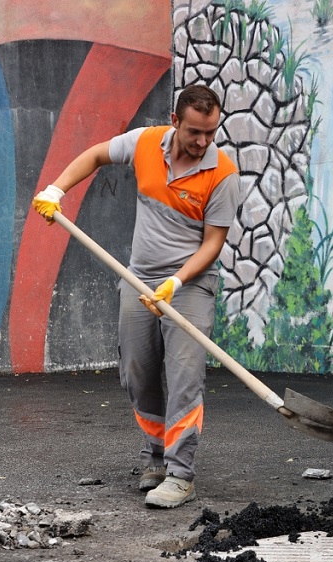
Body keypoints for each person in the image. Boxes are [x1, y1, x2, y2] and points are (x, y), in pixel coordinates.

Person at [32, 85, 239, 509]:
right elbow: (94, 155)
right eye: (195, 131)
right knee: (136, 371)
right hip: (138, 277)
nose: (203, 142)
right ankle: (156, 456)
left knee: (184, 379)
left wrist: (177, 282)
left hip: (190, 285)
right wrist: (57, 190)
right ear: (175, 121)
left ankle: (181, 475)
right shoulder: (146, 142)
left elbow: (213, 244)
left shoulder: (223, 175)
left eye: (211, 132)